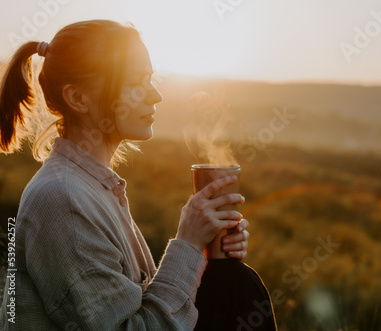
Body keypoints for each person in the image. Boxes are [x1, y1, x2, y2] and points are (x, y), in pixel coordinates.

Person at [0, 20, 251, 330]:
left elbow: (138, 307)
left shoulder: (92, 187)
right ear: (78, 98)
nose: (155, 96)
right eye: (136, 83)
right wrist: (186, 241)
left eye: (150, 79)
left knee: (237, 284)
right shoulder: (64, 199)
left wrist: (202, 252)